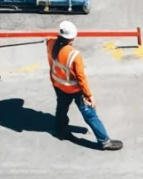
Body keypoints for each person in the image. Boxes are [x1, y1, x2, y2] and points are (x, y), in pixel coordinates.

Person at [47, 21, 122, 151]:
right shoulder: (74, 55)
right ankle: (104, 141)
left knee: (61, 109)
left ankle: (60, 131)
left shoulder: (50, 43)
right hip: (74, 89)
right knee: (89, 113)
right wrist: (89, 95)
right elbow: (81, 79)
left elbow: (50, 42)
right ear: (72, 38)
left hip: (58, 85)